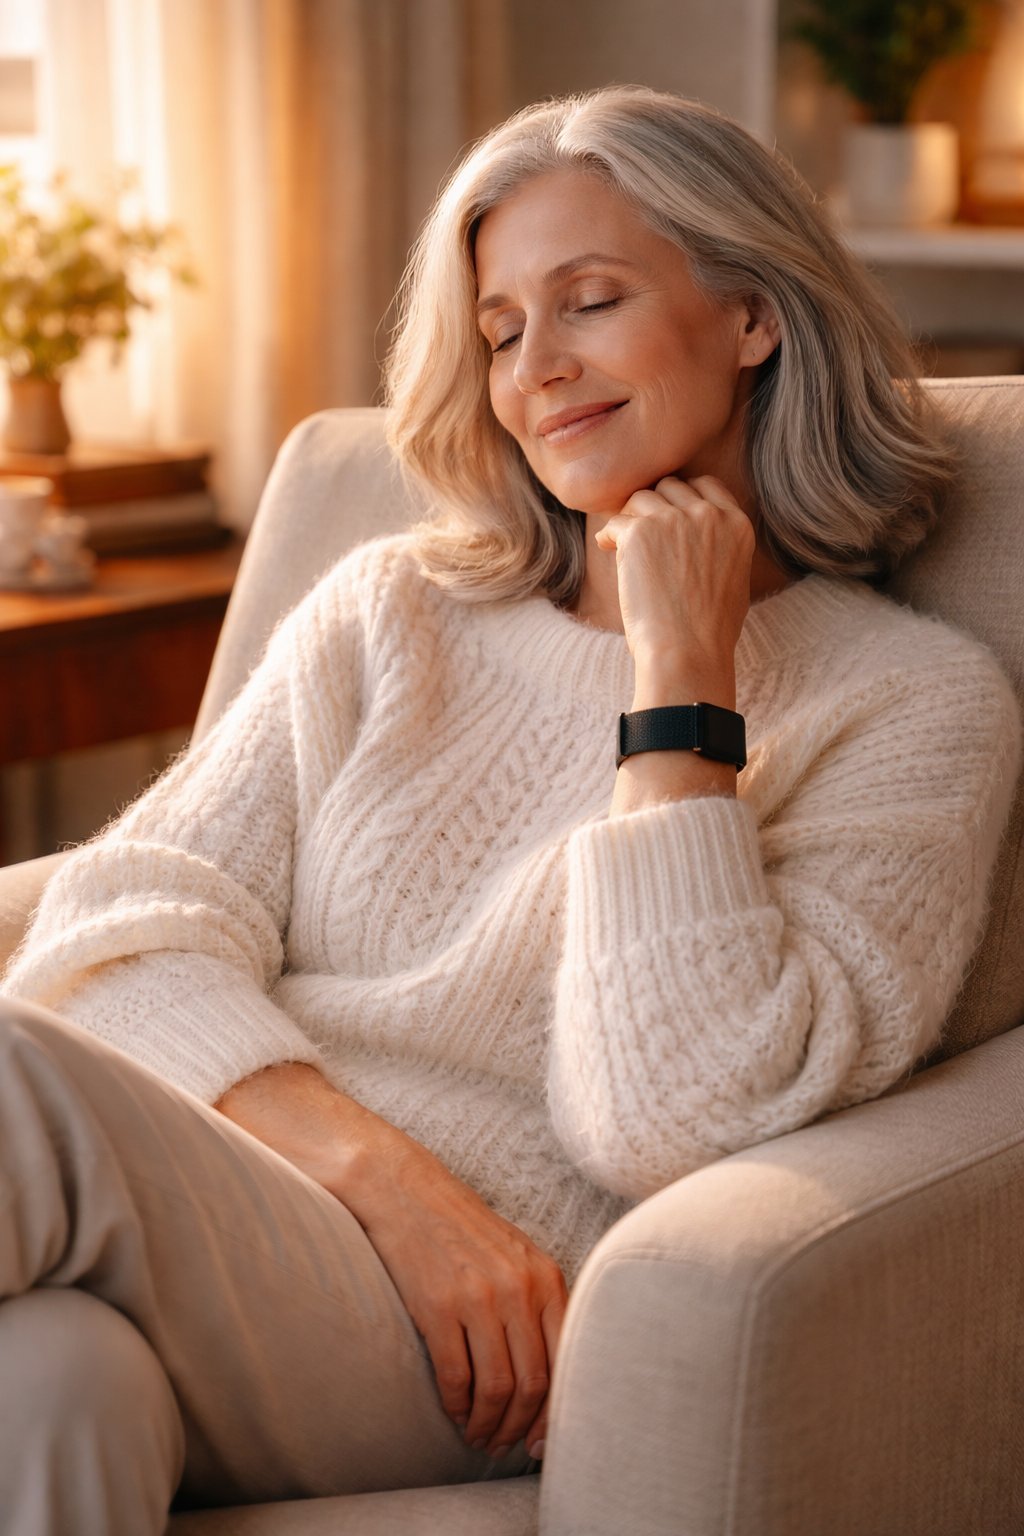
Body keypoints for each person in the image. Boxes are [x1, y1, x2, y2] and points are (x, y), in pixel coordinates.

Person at [0, 85, 1020, 1533]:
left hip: (488, 1345)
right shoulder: (394, 609)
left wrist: (683, 692)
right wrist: (392, 1186)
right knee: (45, 1384)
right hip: (283, 1217)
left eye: (589, 301)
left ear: (752, 314)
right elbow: (110, 934)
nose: (536, 368)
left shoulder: (917, 702)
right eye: (499, 332)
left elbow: (682, 1121)